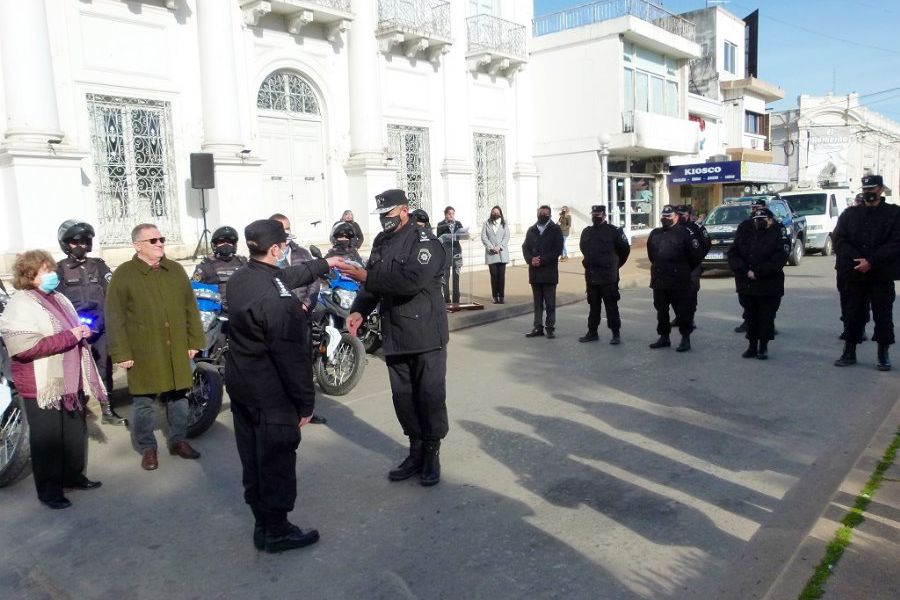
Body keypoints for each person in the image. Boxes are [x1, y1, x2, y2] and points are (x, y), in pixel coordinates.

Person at [226, 218, 344, 553]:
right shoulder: (280, 303)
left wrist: (325, 264)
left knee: (253, 460)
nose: (285, 253)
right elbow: (293, 359)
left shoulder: (241, 278)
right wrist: (306, 403)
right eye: (283, 247)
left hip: (243, 388)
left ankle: (261, 525)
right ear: (276, 249)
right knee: (276, 461)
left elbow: (282, 277)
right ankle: (276, 531)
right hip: (271, 395)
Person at [339, 189, 449, 487]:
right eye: (381, 216)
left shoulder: (426, 242)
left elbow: (410, 281)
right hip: (395, 332)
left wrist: (365, 278)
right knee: (403, 396)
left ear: (404, 210)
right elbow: (375, 283)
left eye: (388, 215)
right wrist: (360, 309)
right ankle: (414, 451)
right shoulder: (381, 241)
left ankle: (431, 453)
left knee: (429, 396)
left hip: (426, 332)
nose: (384, 221)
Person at [0, 250, 105, 509]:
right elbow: (24, 348)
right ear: (29, 275)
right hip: (41, 384)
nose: (53, 275)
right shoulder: (20, 304)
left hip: (68, 380)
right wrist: (71, 335)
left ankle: (73, 476)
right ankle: (49, 490)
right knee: (47, 439)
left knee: (72, 433)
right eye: (45, 271)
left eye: (52, 269)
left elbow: (71, 329)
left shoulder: (59, 298)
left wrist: (84, 332)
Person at [105, 224, 206, 470]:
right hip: (143, 351)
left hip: (177, 348)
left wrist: (194, 341)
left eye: (161, 238)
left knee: (179, 398)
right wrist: (121, 353)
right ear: (137, 245)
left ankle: (178, 441)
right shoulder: (125, 274)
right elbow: (114, 316)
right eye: (153, 240)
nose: (160, 243)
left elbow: (190, 308)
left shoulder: (176, 269)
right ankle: (147, 447)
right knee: (143, 403)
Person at [54, 220, 126, 425]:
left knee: (105, 367)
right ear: (66, 244)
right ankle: (77, 413)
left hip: (100, 327)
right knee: (73, 370)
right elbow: (56, 301)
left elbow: (114, 290)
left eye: (85, 242)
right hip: (75, 329)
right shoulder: (59, 270)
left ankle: (108, 410)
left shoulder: (99, 266)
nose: (82, 246)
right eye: (76, 242)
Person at [833, 174, 900, 370]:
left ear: (880, 190)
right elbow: (840, 240)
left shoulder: (893, 214)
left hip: (881, 274)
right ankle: (849, 351)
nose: (868, 194)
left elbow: (896, 242)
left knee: (883, 316)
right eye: (865, 190)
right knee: (853, 314)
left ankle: (883, 354)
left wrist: (871, 261)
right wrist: (858, 260)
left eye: (872, 190)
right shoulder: (850, 214)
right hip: (855, 273)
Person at [270, 213, 326, 424]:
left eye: (286, 228)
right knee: (279, 365)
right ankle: (283, 409)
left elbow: (314, 281)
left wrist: (307, 303)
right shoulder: (269, 256)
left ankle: (307, 410)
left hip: (302, 316)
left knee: (303, 364)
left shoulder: (302, 253)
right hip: (278, 320)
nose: (284, 232)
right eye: (278, 228)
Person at [727, 208, 788, 360]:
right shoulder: (745, 232)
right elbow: (733, 254)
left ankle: (763, 347)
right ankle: (752, 345)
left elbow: (779, 259)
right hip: (747, 283)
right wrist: (745, 270)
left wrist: (758, 272)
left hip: (768, 285)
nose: (758, 222)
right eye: (756, 219)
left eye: (762, 219)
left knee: (766, 317)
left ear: (770, 220)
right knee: (750, 316)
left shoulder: (778, 234)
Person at [647, 205, 702, 352]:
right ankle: (664, 337)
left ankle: (685, 338)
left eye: (669, 217)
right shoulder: (655, 233)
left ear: (676, 217)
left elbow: (694, 257)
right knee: (661, 312)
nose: (665, 219)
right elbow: (652, 255)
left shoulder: (685, 233)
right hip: (660, 280)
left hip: (679, 280)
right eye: (663, 216)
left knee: (682, 312)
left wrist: (682, 270)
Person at [578, 205, 630, 344]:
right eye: (594, 214)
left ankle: (615, 333)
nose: (596, 216)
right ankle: (592, 332)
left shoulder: (614, 231)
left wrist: (615, 265)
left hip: (608, 277)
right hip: (592, 276)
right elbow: (583, 249)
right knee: (593, 306)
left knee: (611, 306)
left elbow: (624, 251)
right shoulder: (587, 232)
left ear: (605, 215)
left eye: (599, 214)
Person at [522, 205, 564, 339]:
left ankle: (550, 327)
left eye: (546, 214)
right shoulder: (532, 230)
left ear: (550, 215)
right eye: (541, 213)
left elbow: (558, 249)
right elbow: (525, 247)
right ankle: (537, 327)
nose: (543, 215)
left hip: (549, 273)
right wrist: (530, 259)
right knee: (537, 303)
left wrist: (542, 260)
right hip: (534, 273)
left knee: (550, 303)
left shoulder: (555, 229)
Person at [838, 193, 869, 341]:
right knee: (846, 299)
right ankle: (847, 327)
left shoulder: (872, 220)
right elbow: (839, 240)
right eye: (858, 202)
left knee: (863, 302)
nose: (860, 205)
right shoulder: (847, 217)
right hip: (846, 267)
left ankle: (860, 328)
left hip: (868, 267)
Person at [191, 225, 248, 307]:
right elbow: (194, 288)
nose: (226, 244)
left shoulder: (242, 262)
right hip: (216, 310)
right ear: (215, 245)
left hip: (241, 308)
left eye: (229, 242)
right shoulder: (205, 266)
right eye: (222, 242)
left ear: (234, 245)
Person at [674, 205, 710, 330]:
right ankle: (679, 317)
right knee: (676, 294)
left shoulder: (697, 227)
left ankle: (690, 318)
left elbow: (706, 244)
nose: (680, 217)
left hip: (693, 266)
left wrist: (698, 258)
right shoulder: (674, 227)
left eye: (682, 215)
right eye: (678, 215)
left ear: (689, 215)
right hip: (677, 267)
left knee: (691, 294)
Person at [480, 205, 510, 304]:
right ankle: (495, 296)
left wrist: (500, 246)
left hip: (502, 253)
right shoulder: (486, 223)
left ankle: (501, 296)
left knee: (501, 276)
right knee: (494, 276)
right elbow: (484, 237)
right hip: (491, 253)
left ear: (500, 213)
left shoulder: (504, 224)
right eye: (493, 212)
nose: (495, 214)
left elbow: (506, 237)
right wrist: (491, 247)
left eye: (497, 212)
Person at [436, 206, 464, 304]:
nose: (451, 215)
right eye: (449, 214)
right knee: (446, 277)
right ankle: (447, 299)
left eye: (453, 213)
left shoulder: (458, 223)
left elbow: (462, 235)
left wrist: (461, 233)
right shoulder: (440, 225)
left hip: (456, 252)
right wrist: (447, 235)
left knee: (456, 277)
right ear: (446, 214)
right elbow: (439, 238)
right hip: (446, 252)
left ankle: (456, 300)